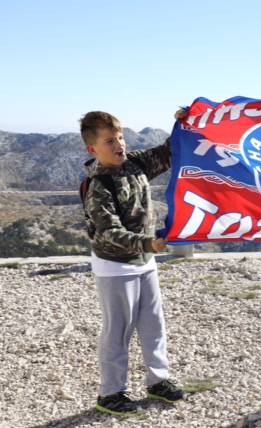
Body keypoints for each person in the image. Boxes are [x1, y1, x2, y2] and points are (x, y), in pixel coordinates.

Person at [80, 111, 185, 415]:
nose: (119, 145)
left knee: (153, 323)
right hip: (115, 266)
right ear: (93, 149)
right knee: (119, 329)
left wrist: (184, 122)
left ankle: (159, 380)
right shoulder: (99, 185)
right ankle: (110, 393)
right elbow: (108, 232)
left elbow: (169, 152)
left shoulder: (135, 163)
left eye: (121, 138)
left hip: (145, 260)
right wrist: (147, 243)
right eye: (110, 141)